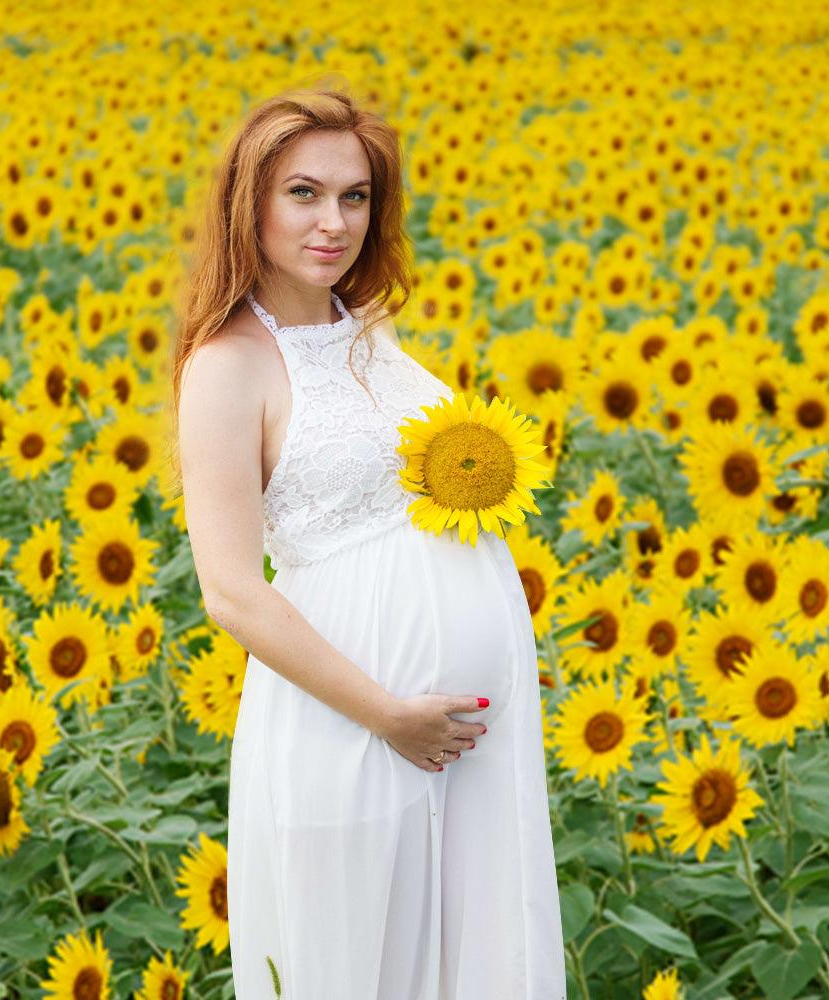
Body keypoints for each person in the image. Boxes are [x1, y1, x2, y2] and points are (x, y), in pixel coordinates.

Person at [169, 84, 566, 999]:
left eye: (355, 196)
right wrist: (388, 713)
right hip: (348, 724)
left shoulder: (368, 331)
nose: (333, 221)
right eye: (302, 192)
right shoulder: (228, 366)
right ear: (249, 201)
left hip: (465, 744)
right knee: (359, 964)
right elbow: (230, 590)